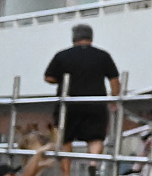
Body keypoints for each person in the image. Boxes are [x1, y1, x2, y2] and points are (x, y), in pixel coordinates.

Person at [44, 22, 121, 167]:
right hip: (95, 103)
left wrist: (62, 79)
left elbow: (49, 77)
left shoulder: (62, 56)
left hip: (68, 103)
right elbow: (114, 79)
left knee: (65, 139)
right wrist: (114, 99)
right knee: (95, 137)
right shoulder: (102, 56)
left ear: (74, 38)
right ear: (91, 38)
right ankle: (93, 162)